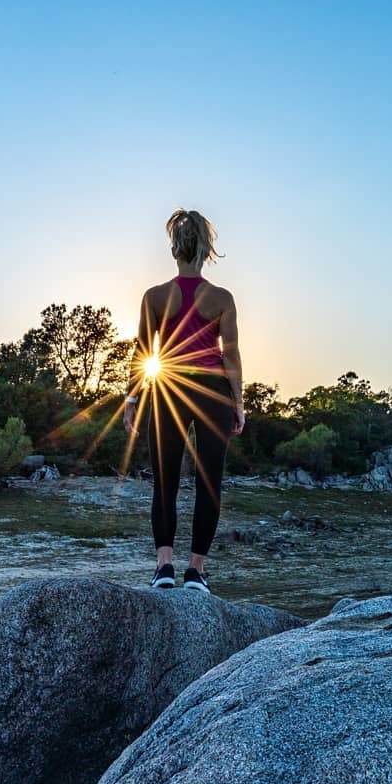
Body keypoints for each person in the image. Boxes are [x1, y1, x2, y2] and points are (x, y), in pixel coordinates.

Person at [124, 209, 245, 592]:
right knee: (210, 484)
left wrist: (131, 398)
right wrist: (239, 403)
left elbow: (144, 351)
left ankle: (164, 567)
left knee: (166, 483)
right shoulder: (222, 298)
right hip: (213, 394)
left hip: (169, 391)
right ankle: (197, 572)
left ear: (174, 249)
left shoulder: (155, 296)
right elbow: (231, 355)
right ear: (206, 251)